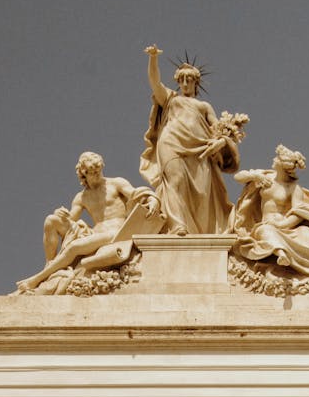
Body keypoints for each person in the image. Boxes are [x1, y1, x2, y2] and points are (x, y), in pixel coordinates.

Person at [16, 152, 159, 293]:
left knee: (73, 247)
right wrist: (62, 214)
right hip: (95, 233)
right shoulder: (81, 197)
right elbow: (71, 219)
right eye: (92, 172)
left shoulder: (116, 183)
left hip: (117, 232)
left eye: (99, 170)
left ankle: (36, 279)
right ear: (84, 174)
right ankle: (49, 264)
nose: (97, 174)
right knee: (51, 220)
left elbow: (136, 194)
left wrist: (152, 199)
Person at [140, 45, 240, 235]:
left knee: (202, 193)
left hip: (200, 149)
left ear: (196, 82)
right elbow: (155, 81)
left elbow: (219, 130)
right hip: (171, 144)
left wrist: (221, 142)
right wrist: (153, 58)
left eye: (189, 79)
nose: (185, 83)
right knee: (174, 182)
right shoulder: (171, 99)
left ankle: (201, 231)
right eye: (181, 80)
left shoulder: (203, 106)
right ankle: (178, 225)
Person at [230, 144, 309, 287]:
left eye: (277, 158)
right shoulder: (265, 177)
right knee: (267, 233)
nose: (273, 159)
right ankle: (282, 254)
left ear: (283, 165)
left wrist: (284, 224)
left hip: (290, 227)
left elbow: (298, 212)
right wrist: (255, 176)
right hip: (266, 224)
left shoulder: (294, 188)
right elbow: (238, 176)